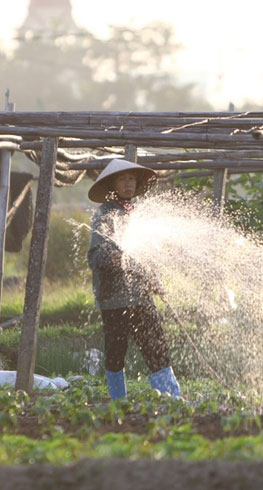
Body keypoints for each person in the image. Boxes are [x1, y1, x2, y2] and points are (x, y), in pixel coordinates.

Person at [86, 158, 181, 400]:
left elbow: (147, 253)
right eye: (123, 179)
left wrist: (154, 278)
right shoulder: (104, 214)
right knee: (116, 350)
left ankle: (171, 397)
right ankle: (119, 401)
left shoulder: (137, 212)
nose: (128, 184)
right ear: (113, 184)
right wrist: (116, 256)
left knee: (156, 345)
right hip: (114, 297)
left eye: (132, 179)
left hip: (140, 293)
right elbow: (97, 255)